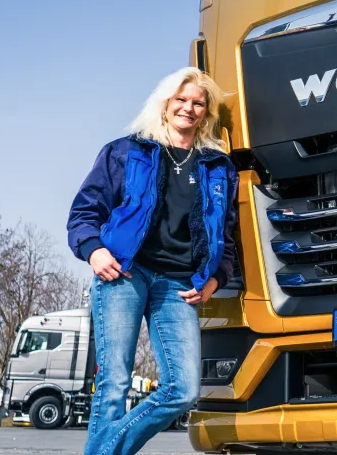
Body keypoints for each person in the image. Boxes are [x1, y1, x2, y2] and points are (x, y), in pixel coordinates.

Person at [67, 67, 238, 455]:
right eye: (181, 100)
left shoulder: (218, 167)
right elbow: (83, 213)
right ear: (164, 104)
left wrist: (215, 279)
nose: (189, 109)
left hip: (179, 284)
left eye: (198, 103)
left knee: (183, 388)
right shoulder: (127, 152)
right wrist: (94, 250)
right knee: (113, 383)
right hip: (125, 272)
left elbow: (227, 238)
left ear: (206, 112)